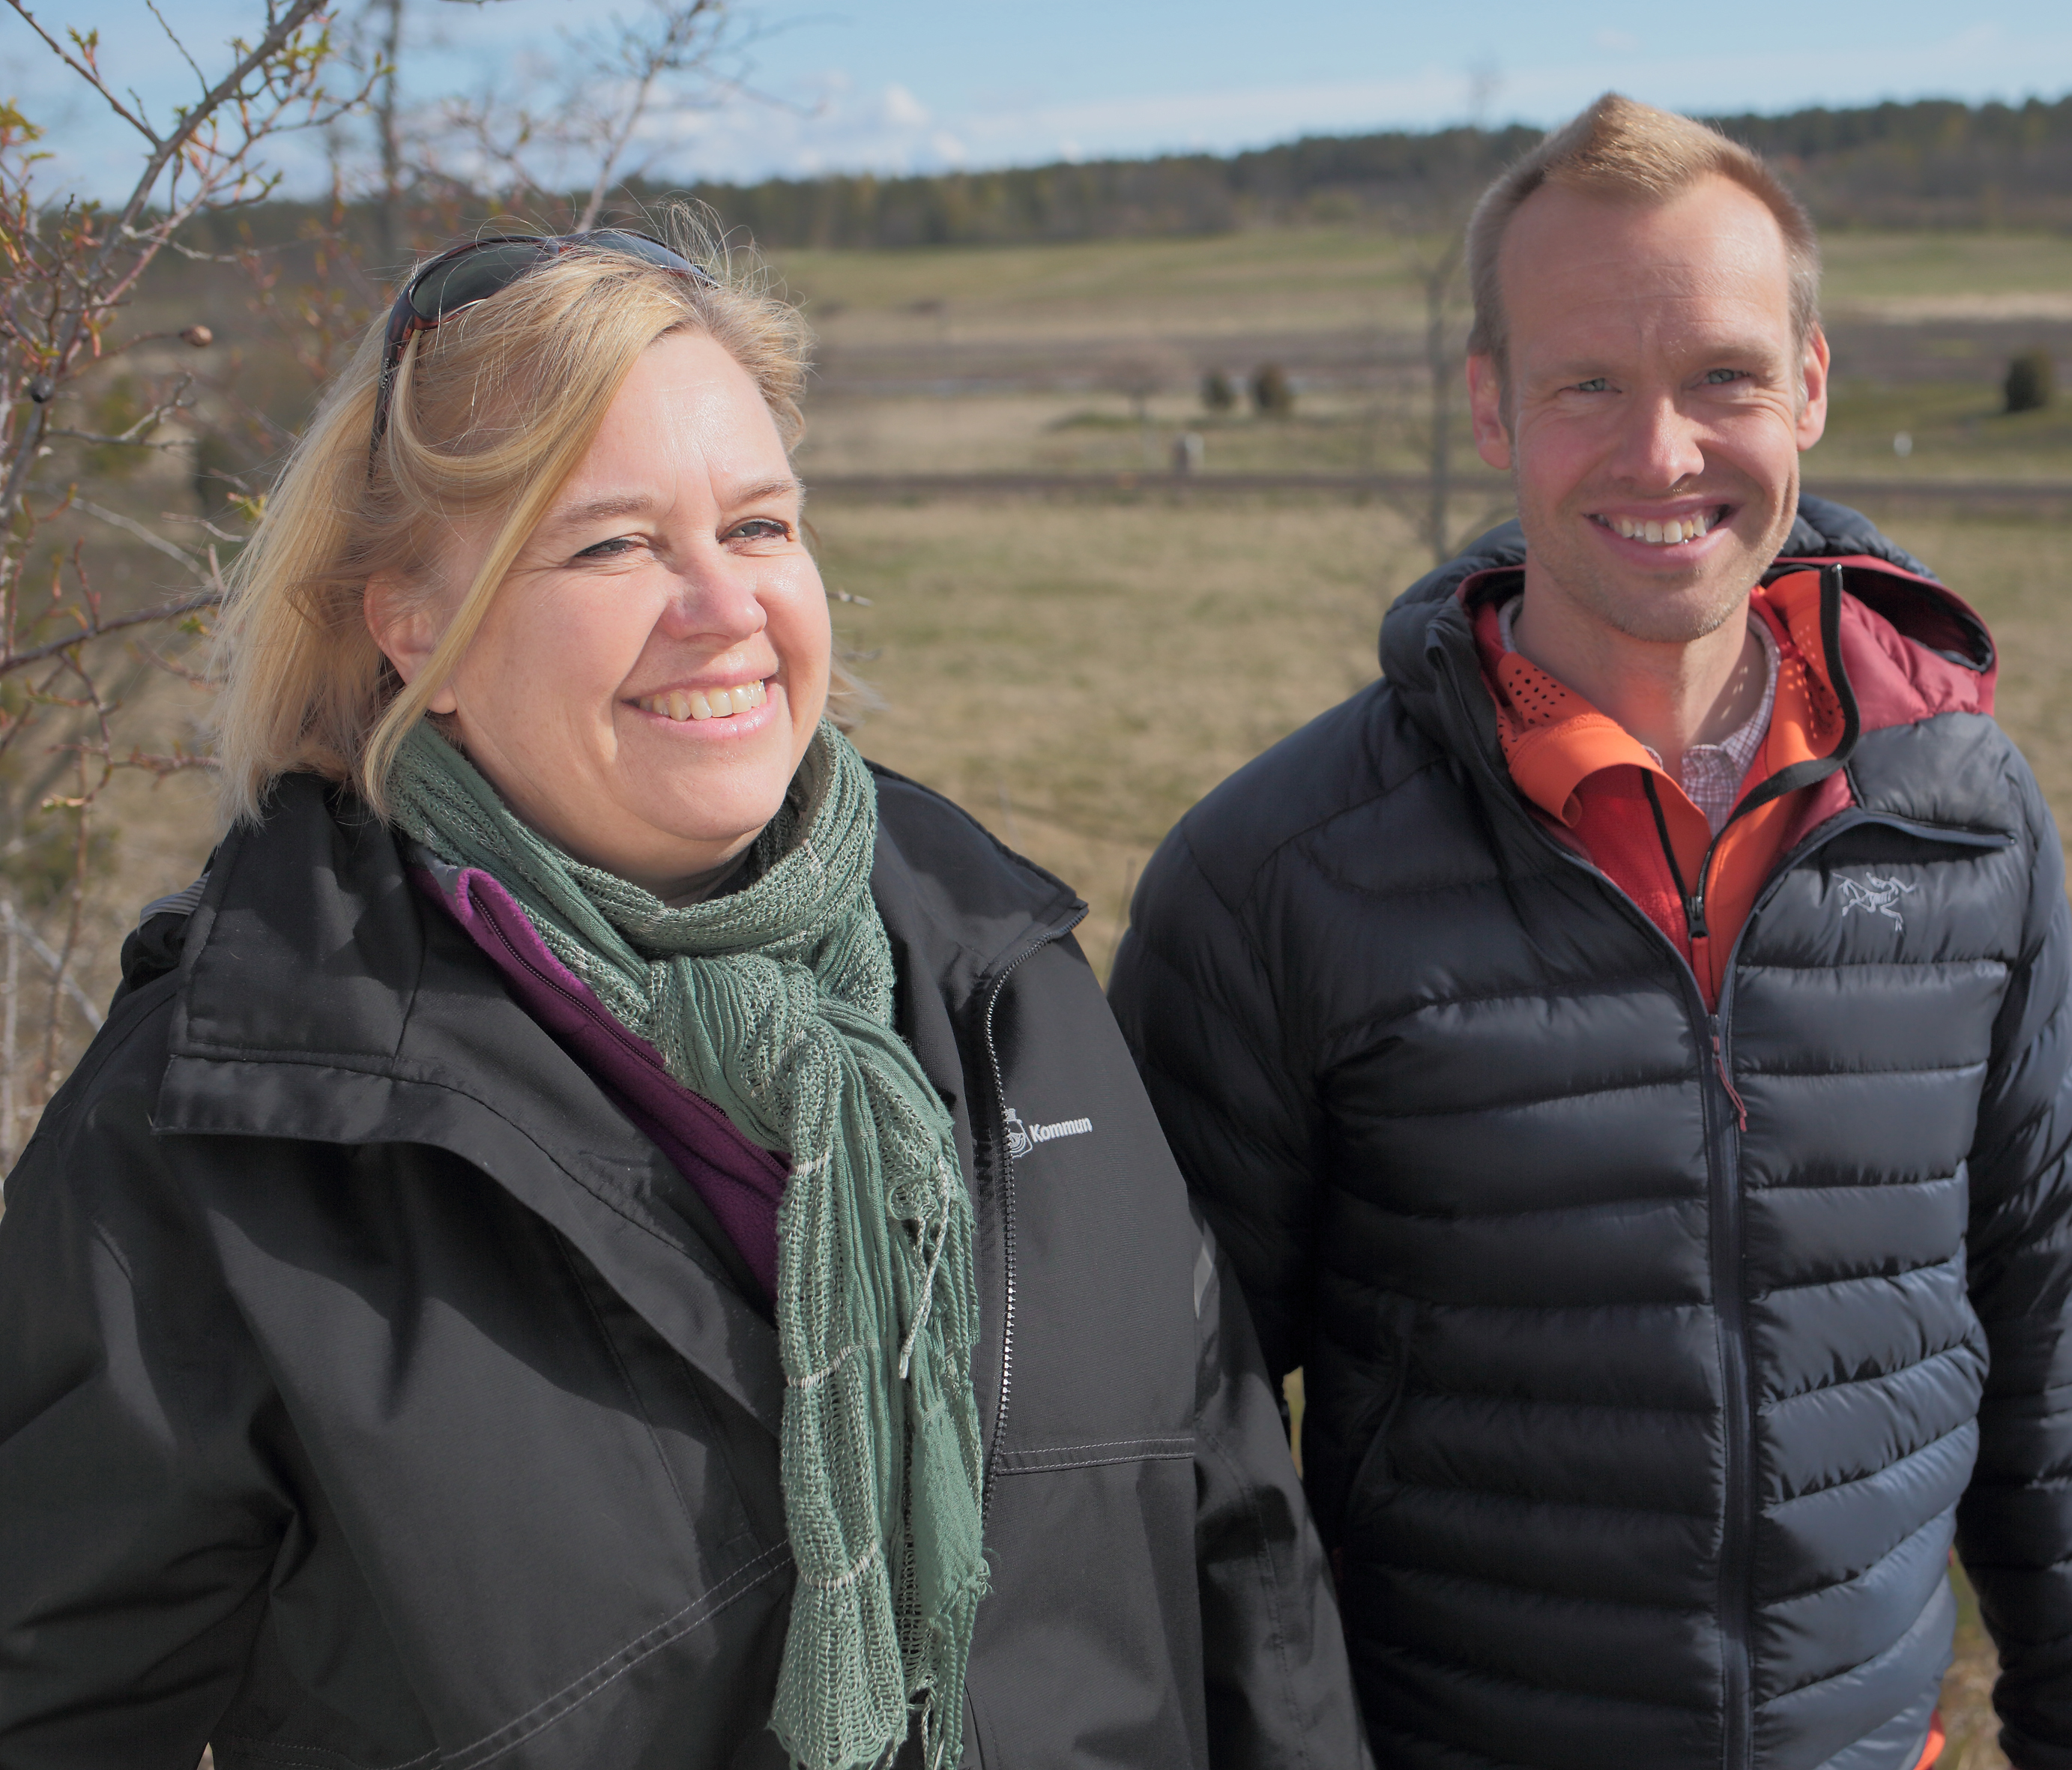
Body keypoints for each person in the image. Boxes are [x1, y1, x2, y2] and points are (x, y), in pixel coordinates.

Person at [0, 224, 1363, 1770]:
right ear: (411, 627)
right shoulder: (229, 1123)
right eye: (611, 544)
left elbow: (1242, 1557)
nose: (721, 606)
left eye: (758, 525)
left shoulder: (1005, 982)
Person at [1110, 97, 2072, 1770]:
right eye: (1586, 381)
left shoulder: (1964, 813)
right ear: (1486, 405)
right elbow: (1173, 1453)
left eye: (1722, 378)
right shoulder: (1277, 877)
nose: (1661, 452)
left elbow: (2035, 1343)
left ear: (1809, 383)